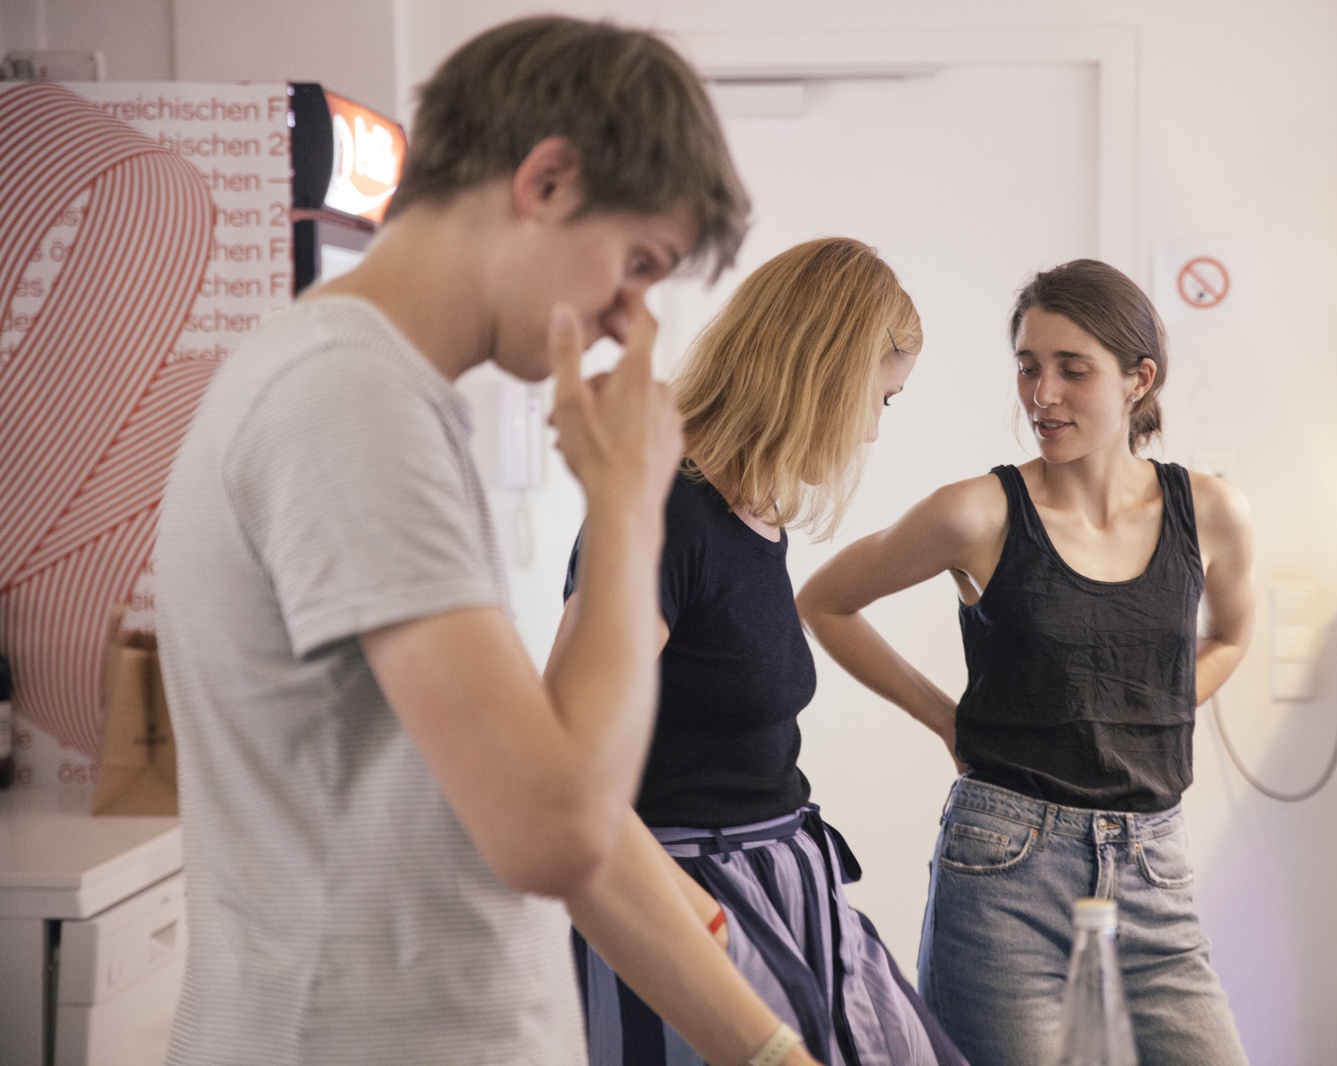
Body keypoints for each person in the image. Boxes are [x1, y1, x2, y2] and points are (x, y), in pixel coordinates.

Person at [155, 17, 819, 1066]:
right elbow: (558, 831)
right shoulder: (347, 398)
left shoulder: (384, 395)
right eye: (635, 264)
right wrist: (627, 506)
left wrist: (771, 1051)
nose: (628, 321)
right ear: (546, 181)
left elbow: (558, 803)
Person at [796, 259, 1256, 1066]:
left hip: (1155, 871)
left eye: (1073, 370)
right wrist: (948, 721)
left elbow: (1230, 636)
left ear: (1139, 380)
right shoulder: (977, 512)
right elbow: (825, 601)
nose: (1042, 395)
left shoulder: (1210, 510)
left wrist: (1154, 704)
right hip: (1004, 869)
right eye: (1028, 366)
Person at [555, 237, 968, 1066]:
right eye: (880, 401)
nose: (870, 432)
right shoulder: (667, 516)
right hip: (689, 898)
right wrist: (702, 921)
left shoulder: (756, 517)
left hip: (783, 877)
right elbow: (567, 765)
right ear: (824, 380)